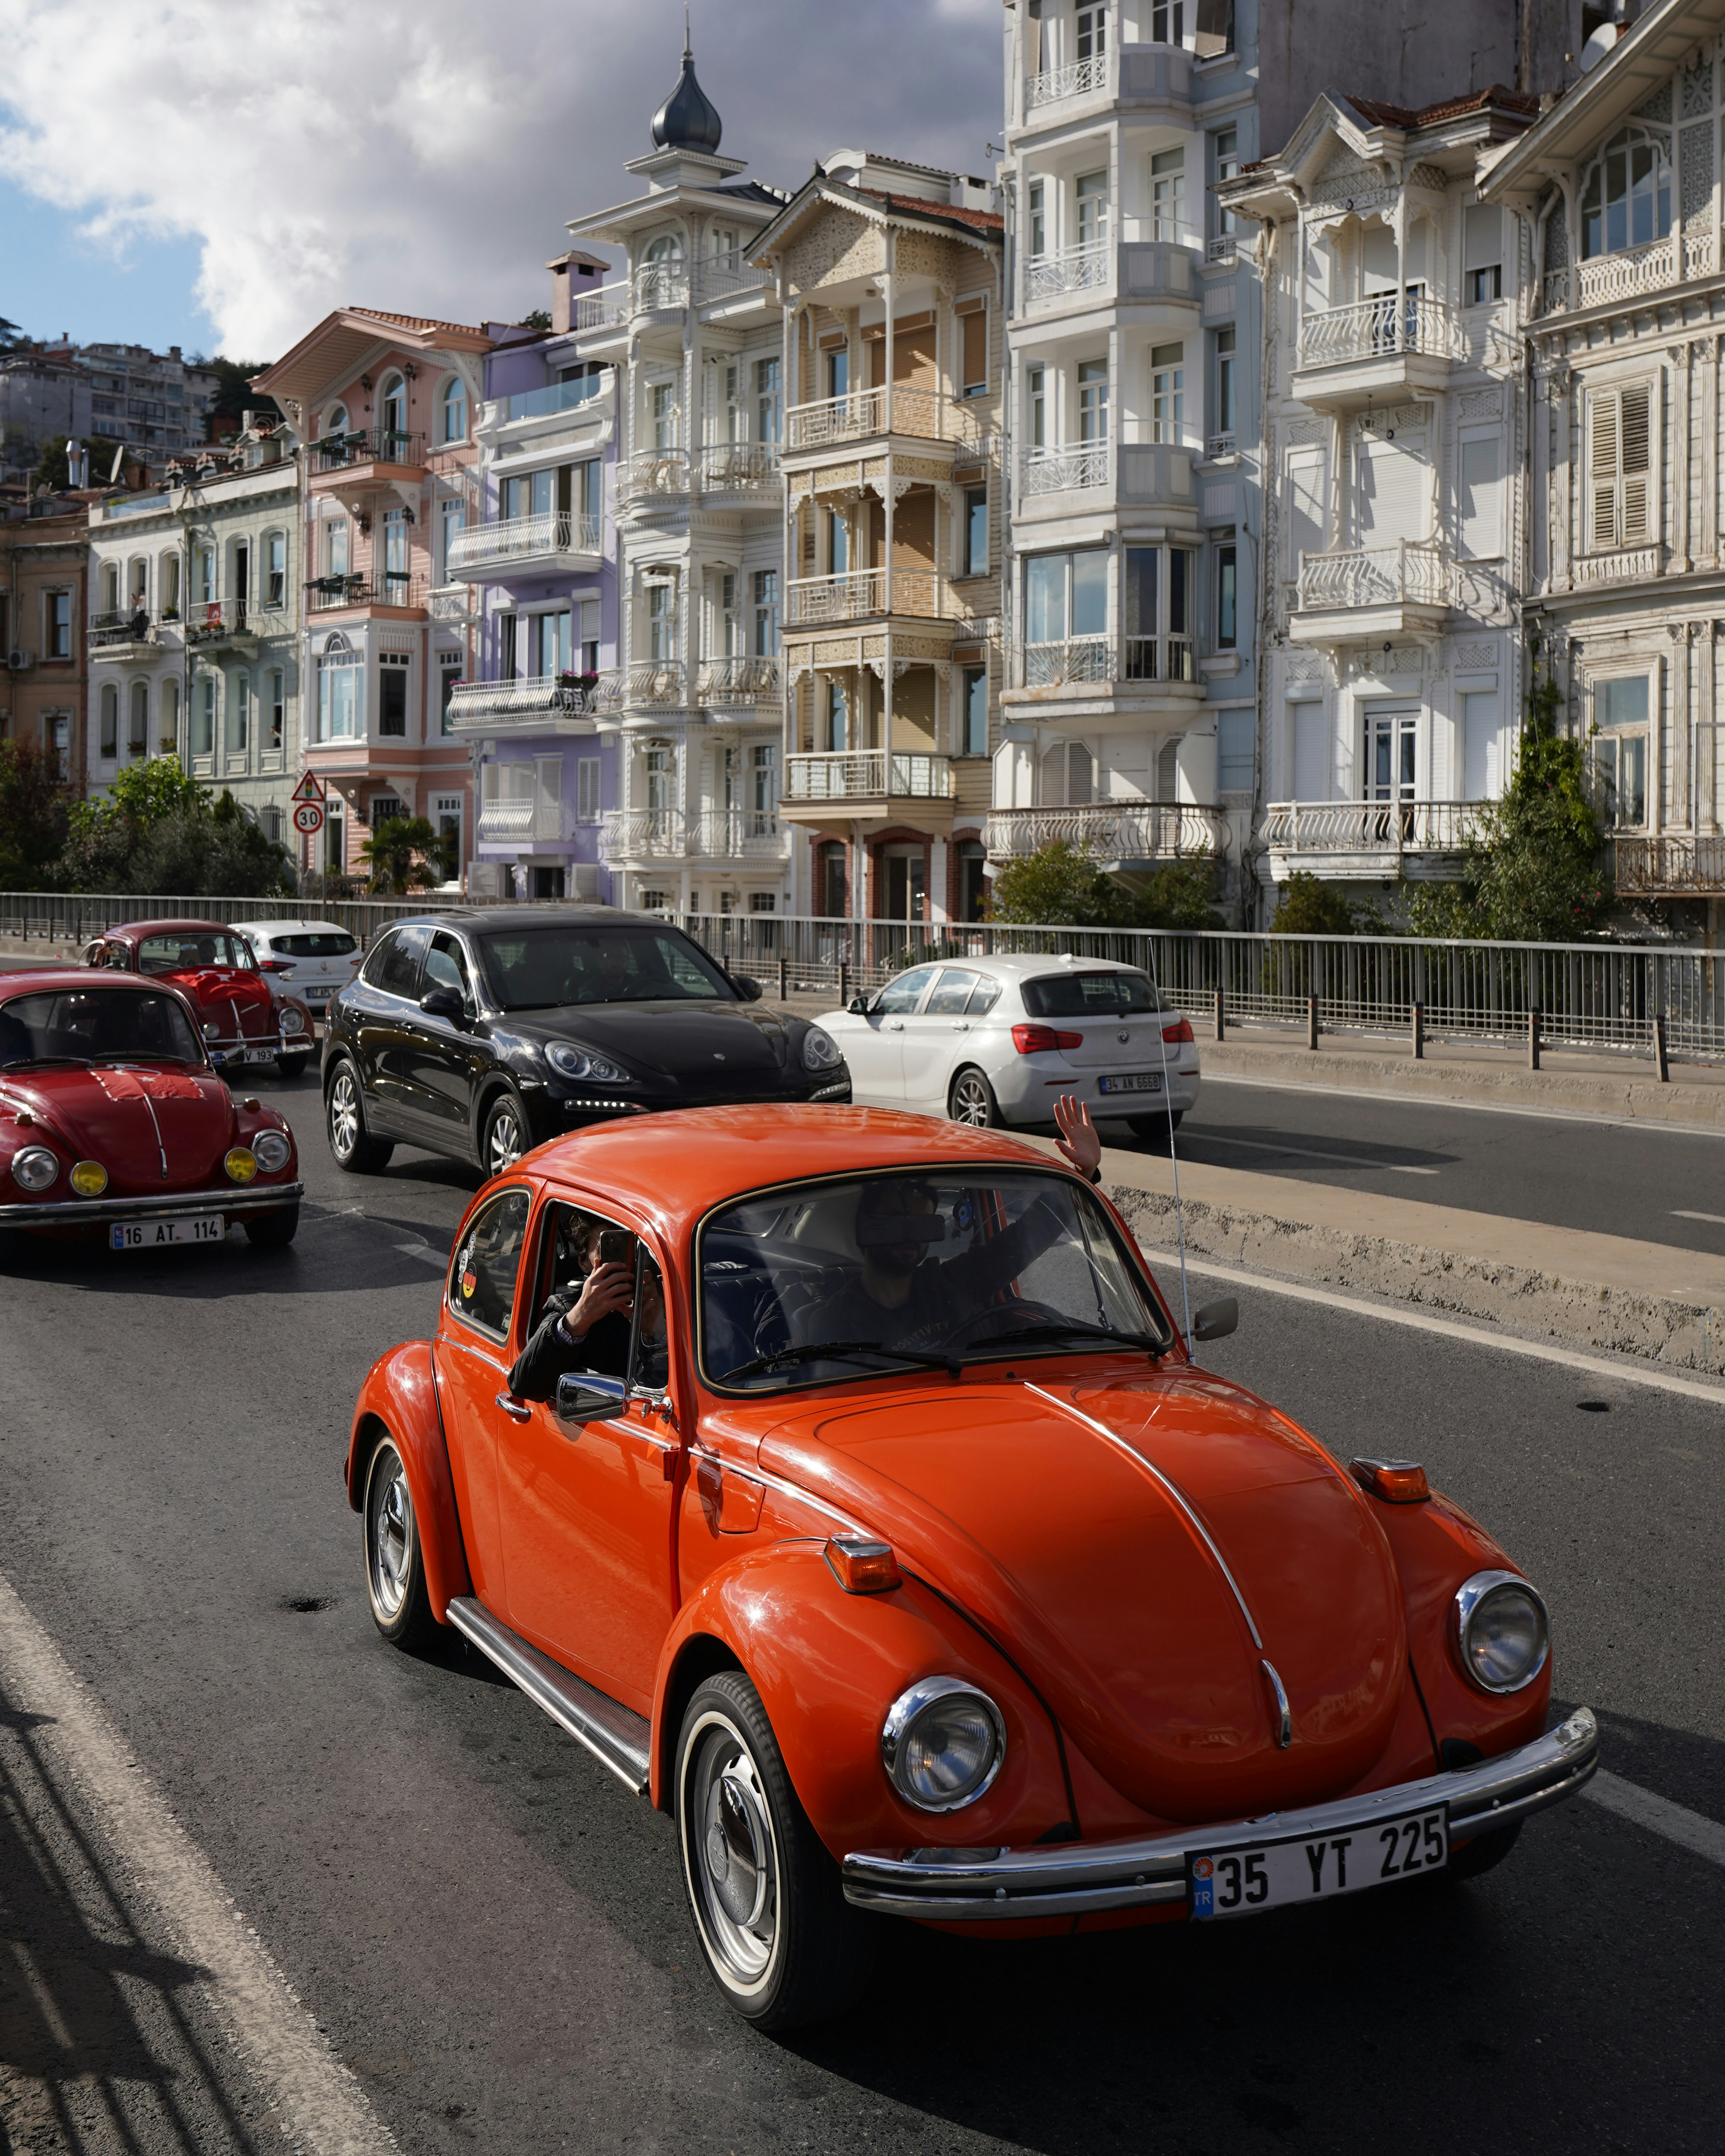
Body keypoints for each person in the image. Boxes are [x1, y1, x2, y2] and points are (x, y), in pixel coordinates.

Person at [796, 1094, 1106, 1354]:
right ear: (866, 1226)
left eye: (921, 1223)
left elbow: (1026, 1239)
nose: (909, 1235)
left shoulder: (951, 1283)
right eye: (895, 1221)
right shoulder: (835, 1320)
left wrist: (1084, 1172)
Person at [507, 1213, 667, 1404]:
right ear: (583, 1262)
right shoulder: (567, 1308)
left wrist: (658, 1333)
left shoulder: (657, 1298)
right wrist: (578, 1320)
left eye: (627, 1249)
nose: (620, 1262)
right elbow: (522, 1384)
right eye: (607, 1250)